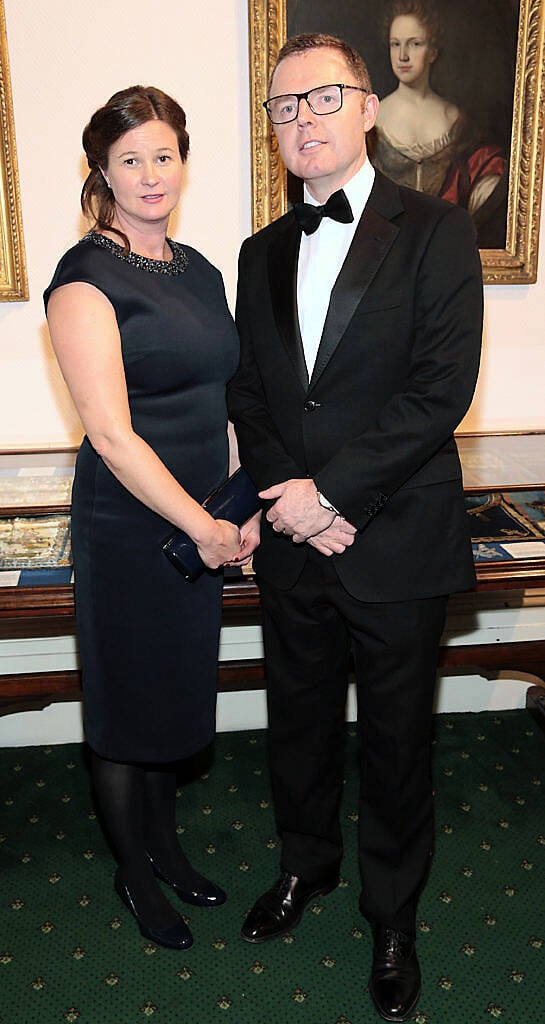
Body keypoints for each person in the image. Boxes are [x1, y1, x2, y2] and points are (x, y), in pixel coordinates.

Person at [228, 32, 482, 1022]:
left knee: (393, 742)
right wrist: (292, 496)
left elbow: (437, 393)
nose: (301, 120)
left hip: (393, 538)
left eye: (320, 98)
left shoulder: (435, 229)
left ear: (366, 105)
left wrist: (329, 496)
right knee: (294, 727)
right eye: (282, 106)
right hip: (295, 542)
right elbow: (250, 394)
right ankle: (305, 867)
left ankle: (390, 914)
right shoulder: (256, 254)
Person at [44, 85, 259, 951]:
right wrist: (201, 529)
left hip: (207, 515)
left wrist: (239, 505)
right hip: (132, 524)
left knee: (173, 691)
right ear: (102, 170)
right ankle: (133, 872)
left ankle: (164, 847)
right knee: (129, 703)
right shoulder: (83, 277)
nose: (149, 174)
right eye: (129, 159)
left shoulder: (200, 269)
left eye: (163, 154)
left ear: (183, 160)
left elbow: (229, 394)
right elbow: (112, 435)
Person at [373, 1, 507, 245]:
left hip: (444, 246)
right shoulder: (372, 118)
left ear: (432, 51)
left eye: (415, 43)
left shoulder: (455, 119)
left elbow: (477, 170)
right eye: (395, 44)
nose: (403, 55)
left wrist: (485, 186)